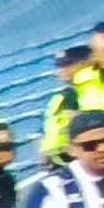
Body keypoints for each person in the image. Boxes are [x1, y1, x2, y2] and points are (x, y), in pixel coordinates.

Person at [34, 40, 93, 169]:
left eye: (67, 65)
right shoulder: (60, 98)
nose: (61, 70)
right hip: (58, 165)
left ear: (85, 63)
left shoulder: (92, 89)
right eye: (59, 66)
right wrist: (43, 159)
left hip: (84, 161)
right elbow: (44, 132)